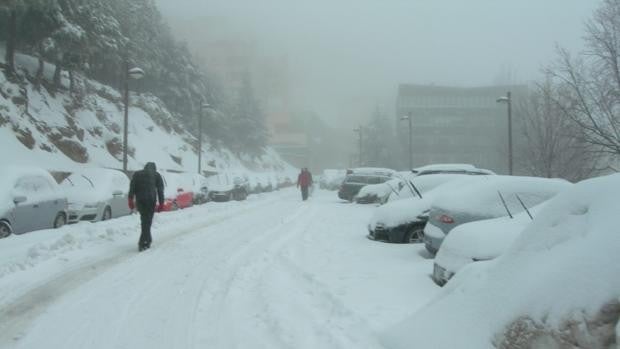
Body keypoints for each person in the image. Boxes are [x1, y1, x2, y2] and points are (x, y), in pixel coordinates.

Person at [128, 162, 164, 251]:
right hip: (151, 201)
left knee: (144, 220)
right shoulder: (157, 175)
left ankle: (147, 240)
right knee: (147, 222)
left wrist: (130, 199)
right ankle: (143, 242)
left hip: (140, 201)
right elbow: (160, 191)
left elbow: (132, 188)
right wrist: (161, 203)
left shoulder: (137, 174)